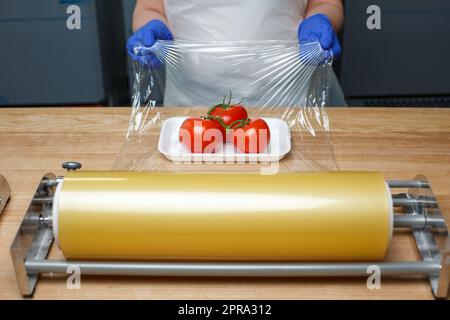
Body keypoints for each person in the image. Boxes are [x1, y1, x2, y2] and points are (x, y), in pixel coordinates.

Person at [127, 0, 345, 107]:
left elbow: (325, 3)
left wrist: (320, 20)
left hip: (295, 103)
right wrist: (151, 28)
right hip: (190, 108)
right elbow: (150, 7)